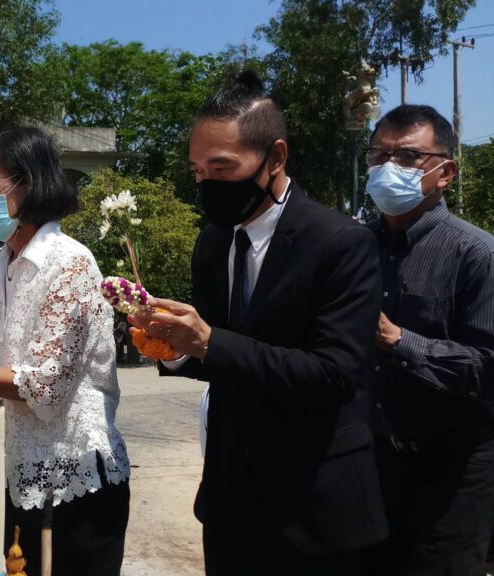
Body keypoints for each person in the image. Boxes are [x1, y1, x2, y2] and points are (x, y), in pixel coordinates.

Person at [129, 71, 386, 575]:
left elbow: (333, 375)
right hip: (230, 503)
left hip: (315, 507)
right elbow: (222, 360)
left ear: (275, 158)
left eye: (222, 168)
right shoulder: (213, 241)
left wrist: (209, 342)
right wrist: (173, 347)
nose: (207, 184)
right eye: (198, 171)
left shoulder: (339, 243)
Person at [0, 126, 130, 575]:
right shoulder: (0, 266)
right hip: (19, 478)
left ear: (28, 184)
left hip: (72, 483)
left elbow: (44, 386)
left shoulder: (70, 264)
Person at [363, 104, 494, 575]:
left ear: (445, 172)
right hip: (373, 462)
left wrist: (398, 340)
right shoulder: (353, 247)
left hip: (457, 471)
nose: (388, 168)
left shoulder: (486, 258)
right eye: (378, 155)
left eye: (407, 157)